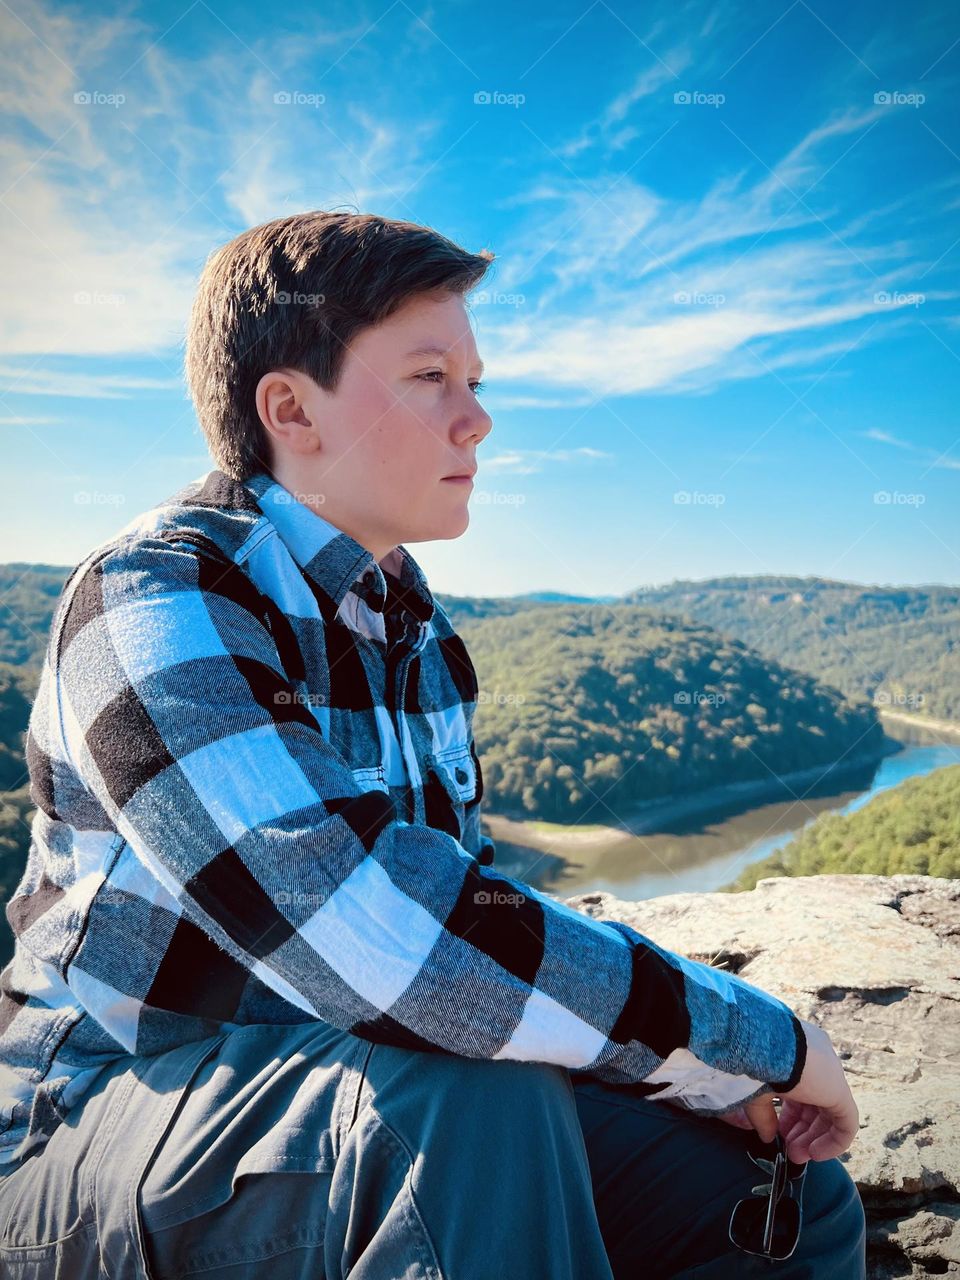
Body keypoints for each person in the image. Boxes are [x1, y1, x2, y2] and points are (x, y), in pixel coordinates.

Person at [0, 210, 866, 1278]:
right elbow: (375, 939)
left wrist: (709, 1083)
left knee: (784, 1195)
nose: (479, 420)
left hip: (343, 1090)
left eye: (476, 377)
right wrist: (758, 1041)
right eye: (429, 377)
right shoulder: (154, 595)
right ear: (289, 408)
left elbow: (471, 916)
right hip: (95, 1119)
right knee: (470, 1096)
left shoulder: (412, 630)